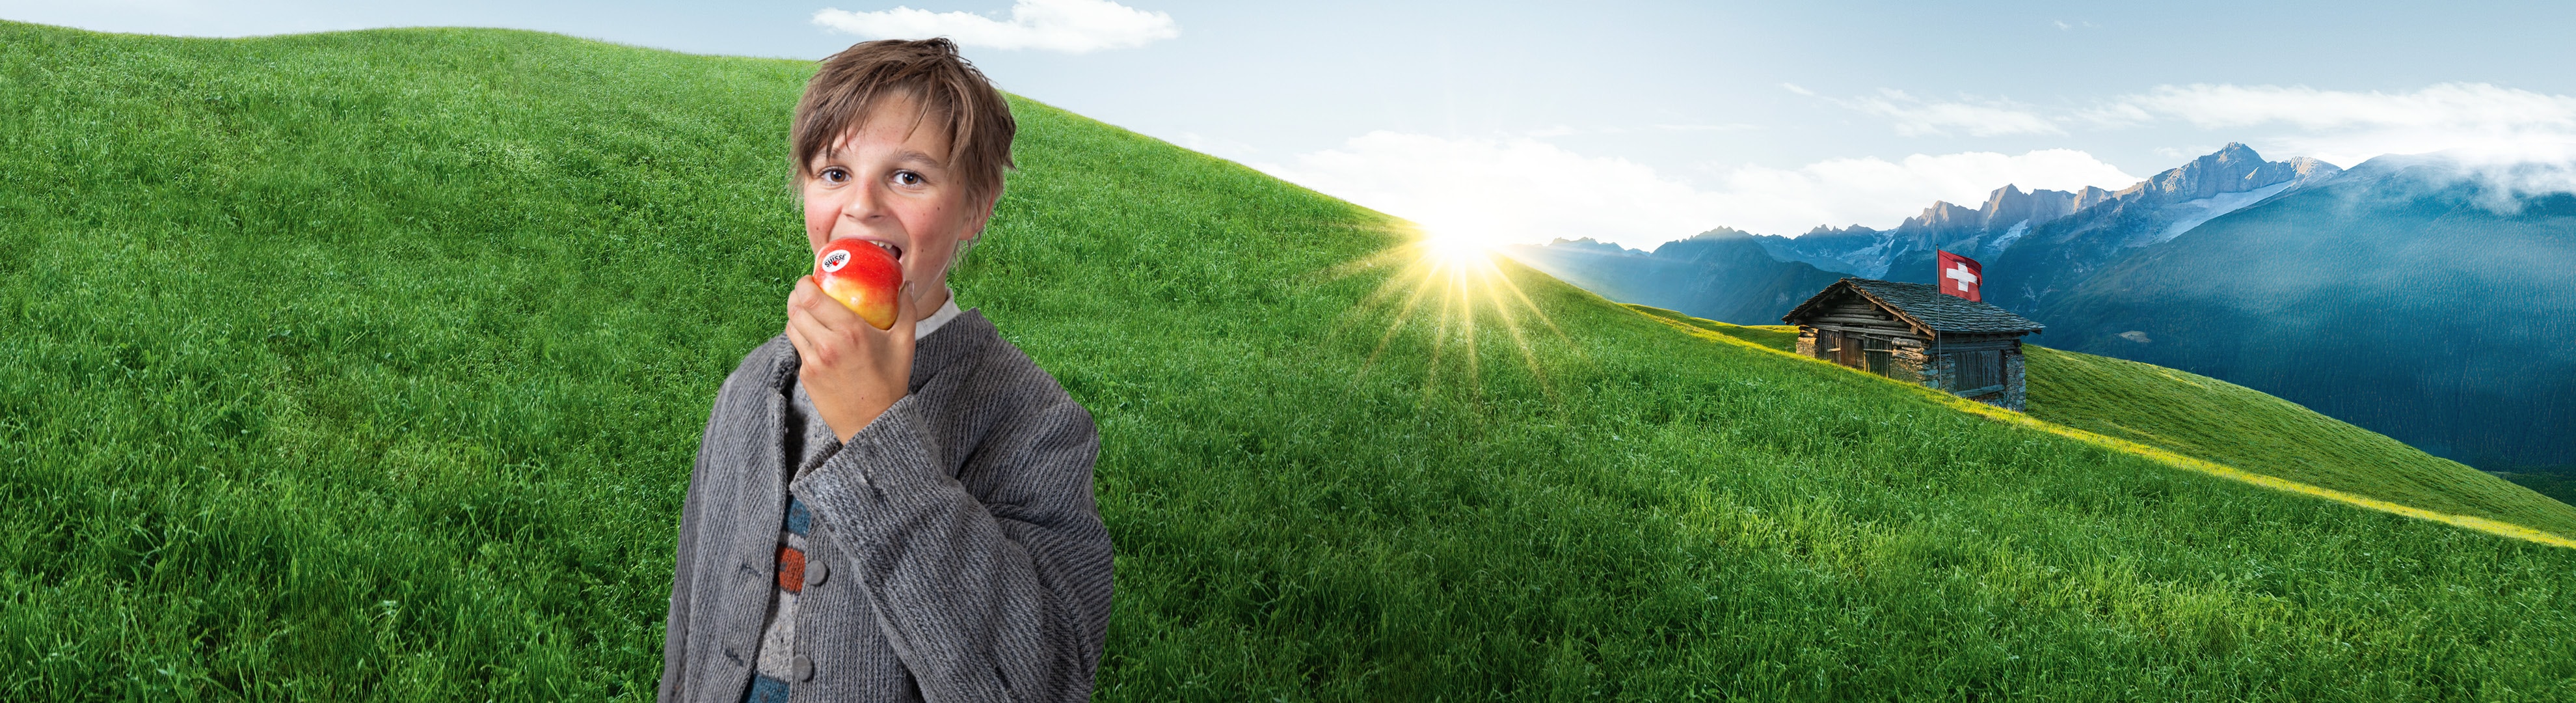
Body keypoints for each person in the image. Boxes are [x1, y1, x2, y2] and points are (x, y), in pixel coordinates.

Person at [658, 38, 1112, 703]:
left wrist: (878, 428)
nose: (862, 205)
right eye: (834, 172)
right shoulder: (752, 385)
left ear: (975, 207)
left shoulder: (1040, 426)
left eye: (908, 177)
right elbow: (690, 615)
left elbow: (1043, 683)